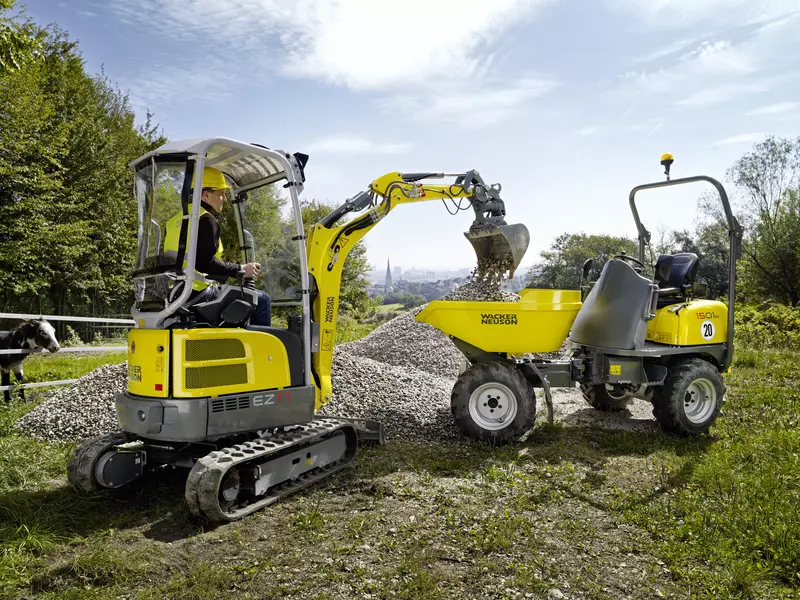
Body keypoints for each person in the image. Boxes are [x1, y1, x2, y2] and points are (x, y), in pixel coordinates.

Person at [163, 166, 272, 326]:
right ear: (206, 194)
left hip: (177, 292)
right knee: (261, 299)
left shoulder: (174, 220)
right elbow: (205, 263)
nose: (225, 199)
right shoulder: (206, 219)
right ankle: (262, 350)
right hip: (198, 293)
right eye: (221, 194)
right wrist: (240, 269)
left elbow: (194, 259)